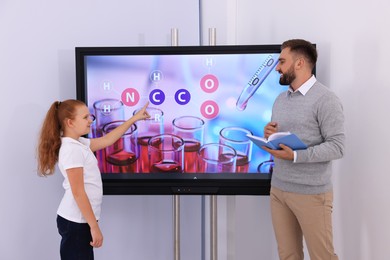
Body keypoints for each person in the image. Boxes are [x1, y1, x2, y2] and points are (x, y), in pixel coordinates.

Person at [37, 99, 150, 260]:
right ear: (70, 122)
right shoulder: (71, 150)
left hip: (79, 220)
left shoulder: (78, 143)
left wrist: (134, 118)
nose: (91, 120)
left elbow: (107, 140)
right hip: (76, 222)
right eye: (85, 118)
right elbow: (78, 192)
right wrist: (94, 227)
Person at [262, 39, 345, 260]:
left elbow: (337, 146)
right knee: (288, 255)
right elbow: (284, 138)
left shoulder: (326, 99)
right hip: (279, 190)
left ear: (299, 63)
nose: (277, 67)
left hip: (311, 194)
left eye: (281, 61)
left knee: (322, 256)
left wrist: (297, 155)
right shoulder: (281, 99)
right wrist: (269, 134)